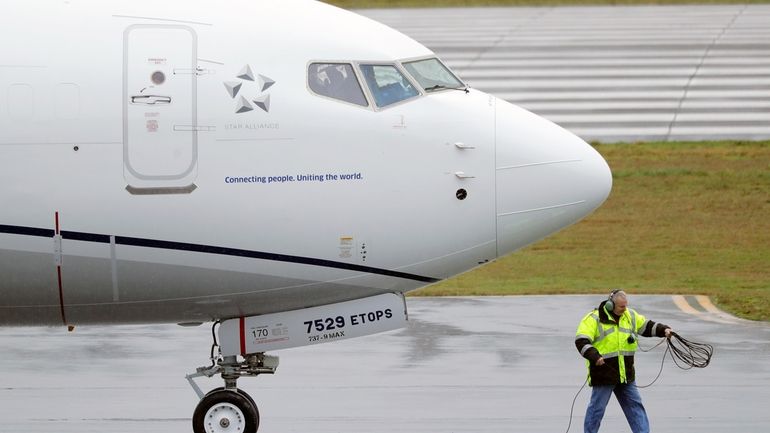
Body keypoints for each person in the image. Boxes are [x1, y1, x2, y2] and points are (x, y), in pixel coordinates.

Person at [575, 290, 673, 433]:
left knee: (635, 407)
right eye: (621, 306)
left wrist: (663, 330)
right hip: (604, 374)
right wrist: (594, 356)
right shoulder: (593, 319)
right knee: (597, 410)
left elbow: (645, 326)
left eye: (626, 305)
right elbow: (581, 341)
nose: (624, 309)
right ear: (610, 305)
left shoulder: (630, 315)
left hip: (625, 374)